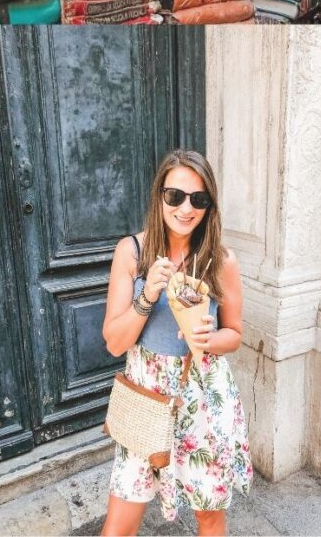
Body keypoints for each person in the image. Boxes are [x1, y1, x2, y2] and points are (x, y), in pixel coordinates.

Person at [101, 150, 252, 537]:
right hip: (146, 402)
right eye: (175, 196)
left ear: (209, 206)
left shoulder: (221, 260)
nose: (186, 209)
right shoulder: (131, 252)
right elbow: (115, 343)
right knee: (119, 523)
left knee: (209, 516)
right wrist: (147, 295)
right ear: (159, 196)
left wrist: (210, 338)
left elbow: (234, 333)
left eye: (198, 200)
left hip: (201, 401)